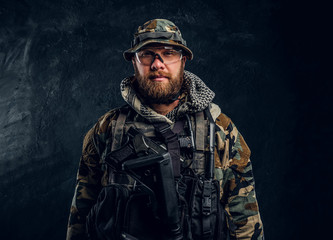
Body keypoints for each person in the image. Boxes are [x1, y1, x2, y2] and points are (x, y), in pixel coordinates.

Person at [66, 19, 264, 240]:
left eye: (168, 53)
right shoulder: (107, 129)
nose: (157, 64)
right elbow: (81, 217)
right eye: (147, 54)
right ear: (134, 62)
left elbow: (245, 220)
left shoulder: (221, 130)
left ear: (183, 60)